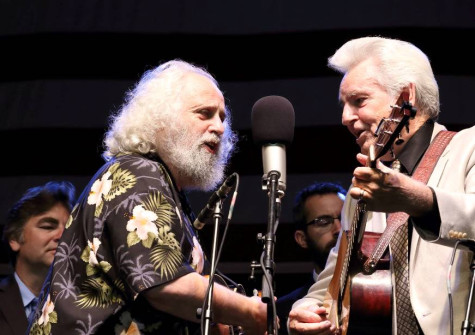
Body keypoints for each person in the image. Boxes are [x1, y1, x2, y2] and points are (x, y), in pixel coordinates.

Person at [28, 59, 268, 335]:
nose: (220, 127)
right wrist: (252, 312)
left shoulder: (161, 183)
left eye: (222, 117)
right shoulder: (138, 174)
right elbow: (166, 283)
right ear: (161, 119)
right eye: (205, 114)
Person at [288, 36, 475, 335]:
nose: (345, 118)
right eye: (344, 105)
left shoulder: (469, 147)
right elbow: (329, 283)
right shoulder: (361, 188)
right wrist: (303, 311)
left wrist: (417, 199)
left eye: (359, 101)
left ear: (405, 98)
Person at [0, 181, 75, 335]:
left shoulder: (83, 304)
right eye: (48, 226)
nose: (63, 236)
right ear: (14, 238)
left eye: (68, 228)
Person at [276, 182, 346, 334]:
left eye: (344, 218)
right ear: (302, 238)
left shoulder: (382, 291)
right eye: (323, 221)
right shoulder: (281, 311)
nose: (339, 229)